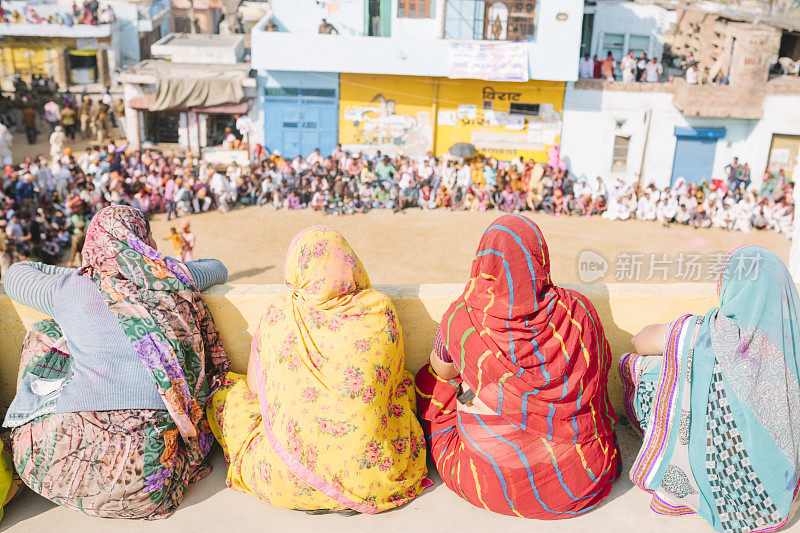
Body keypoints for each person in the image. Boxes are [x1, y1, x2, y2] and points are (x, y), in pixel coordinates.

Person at [2, 205, 229, 519]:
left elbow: (16, 275)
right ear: (143, 239)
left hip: (47, 472)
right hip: (150, 486)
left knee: (46, 332)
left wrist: (91, 272)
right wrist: (149, 266)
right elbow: (217, 268)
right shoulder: (173, 279)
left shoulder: (71, 288)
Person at [207, 226, 430, 513]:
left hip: (285, 483)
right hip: (373, 480)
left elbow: (253, 387)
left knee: (229, 397)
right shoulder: (378, 309)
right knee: (403, 391)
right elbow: (393, 380)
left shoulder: (280, 312)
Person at [415, 214, 620, 518]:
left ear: (483, 262)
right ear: (539, 258)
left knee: (434, 377)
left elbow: (445, 371)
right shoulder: (576, 310)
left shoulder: (463, 316)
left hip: (491, 477)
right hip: (579, 472)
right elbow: (598, 368)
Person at [621, 245, 800, 532]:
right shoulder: (792, 338)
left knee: (645, 367)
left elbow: (640, 341)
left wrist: (684, 334)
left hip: (733, 492)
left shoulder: (704, 333)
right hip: (780, 491)